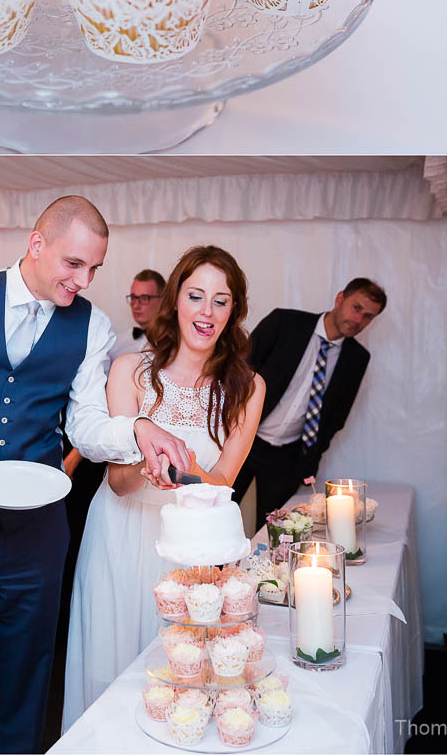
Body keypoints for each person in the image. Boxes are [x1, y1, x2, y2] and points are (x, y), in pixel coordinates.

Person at [0, 196, 193, 755]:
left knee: (29, 680)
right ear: (36, 244)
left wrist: (138, 431)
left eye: (95, 268)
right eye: (74, 264)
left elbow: (85, 424)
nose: (84, 279)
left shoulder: (92, 325)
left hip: (36, 534)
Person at [61, 247, 267, 727]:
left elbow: (224, 487)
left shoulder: (247, 387)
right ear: (176, 301)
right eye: (196, 296)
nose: (207, 312)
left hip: (189, 552)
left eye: (221, 300)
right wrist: (146, 470)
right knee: (112, 669)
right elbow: (117, 480)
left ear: (234, 309)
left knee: (184, 680)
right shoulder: (130, 371)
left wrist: (186, 469)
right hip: (121, 534)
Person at [59, 270, 168, 673]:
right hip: (108, 457)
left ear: (164, 300)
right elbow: (95, 416)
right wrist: (73, 458)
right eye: (133, 297)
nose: (138, 305)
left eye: (146, 298)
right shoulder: (121, 348)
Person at [231, 278, 385, 516]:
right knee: (217, 513)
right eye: (356, 308)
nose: (358, 320)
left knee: (277, 531)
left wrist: (310, 457)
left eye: (368, 316)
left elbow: (336, 418)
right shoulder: (284, 322)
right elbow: (239, 373)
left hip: (288, 458)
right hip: (242, 438)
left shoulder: (357, 358)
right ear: (339, 298)